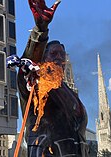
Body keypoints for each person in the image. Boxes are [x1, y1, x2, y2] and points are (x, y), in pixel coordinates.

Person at [17, 0, 89, 156]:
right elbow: (28, 64)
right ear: (43, 59)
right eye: (54, 54)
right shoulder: (36, 83)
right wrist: (40, 30)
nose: (59, 59)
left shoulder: (70, 94)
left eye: (62, 56)